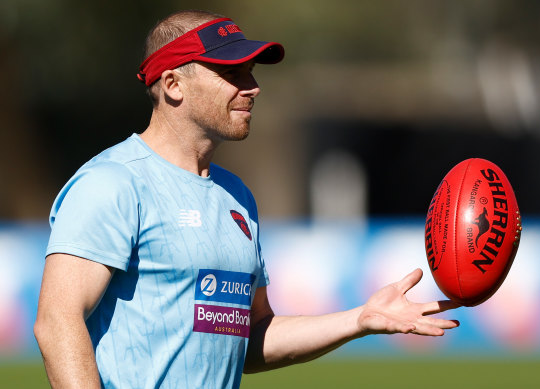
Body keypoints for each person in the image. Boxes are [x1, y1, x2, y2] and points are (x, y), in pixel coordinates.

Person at [34, 9, 460, 389]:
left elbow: (250, 336)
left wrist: (360, 320)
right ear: (173, 85)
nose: (253, 87)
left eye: (251, 71)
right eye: (232, 73)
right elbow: (57, 322)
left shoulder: (236, 197)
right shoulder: (112, 183)